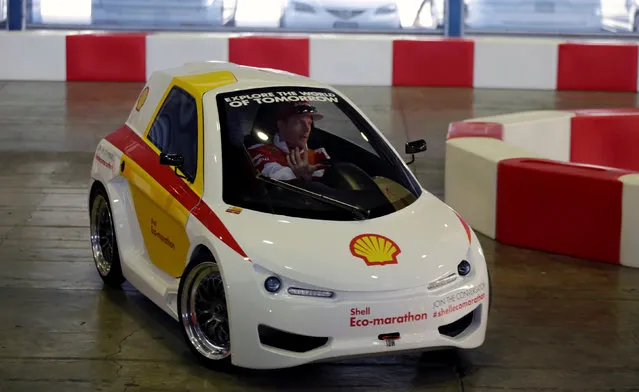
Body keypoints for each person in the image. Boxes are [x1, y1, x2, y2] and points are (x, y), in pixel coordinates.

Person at [248, 101, 330, 182]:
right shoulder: (259, 151)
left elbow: (335, 182)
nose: (307, 129)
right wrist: (299, 176)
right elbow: (273, 178)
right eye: (300, 123)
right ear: (281, 125)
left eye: (309, 123)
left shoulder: (318, 154)